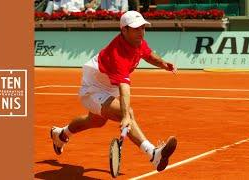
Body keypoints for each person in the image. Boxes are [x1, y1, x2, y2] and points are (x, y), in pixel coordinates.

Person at [50, 10, 178, 172]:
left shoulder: (138, 42)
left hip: (108, 85)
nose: (141, 32)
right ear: (124, 30)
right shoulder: (118, 54)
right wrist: (125, 116)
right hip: (93, 88)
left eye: (143, 28)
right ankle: (153, 154)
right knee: (127, 113)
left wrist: (164, 64)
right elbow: (124, 88)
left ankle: (60, 134)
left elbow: (148, 55)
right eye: (136, 28)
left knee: (96, 121)